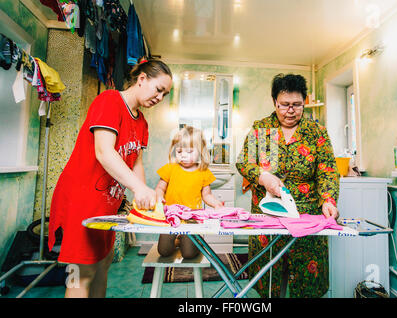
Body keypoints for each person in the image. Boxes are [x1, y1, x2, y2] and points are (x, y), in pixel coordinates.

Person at [48, 58, 173, 298]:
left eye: (165, 95)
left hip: (107, 205)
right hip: (81, 202)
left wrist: (144, 196)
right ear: (142, 79)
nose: (159, 98)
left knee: (102, 266)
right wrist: (139, 189)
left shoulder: (142, 122)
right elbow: (104, 152)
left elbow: (136, 162)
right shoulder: (109, 101)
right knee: (81, 274)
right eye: (159, 90)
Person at [235, 73, 340, 298]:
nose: (290, 110)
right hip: (267, 213)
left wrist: (328, 200)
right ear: (274, 102)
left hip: (307, 215)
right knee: (270, 275)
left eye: (297, 105)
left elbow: (328, 170)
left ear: (304, 102)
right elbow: (244, 162)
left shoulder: (316, 133)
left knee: (305, 281)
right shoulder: (261, 129)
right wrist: (263, 177)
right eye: (284, 105)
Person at [155, 126, 224, 259]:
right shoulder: (170, 168)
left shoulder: (203, 172)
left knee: (189, 254)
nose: (184, 156)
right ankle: (178, 240)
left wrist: (216, 204)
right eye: (180, 151)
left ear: (200, 152)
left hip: (192, 218)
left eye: (190, 151)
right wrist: (158, 196)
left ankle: (196, 240)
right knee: (164, 251)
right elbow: (160, 188)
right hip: (171, 216)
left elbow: (207, 195)